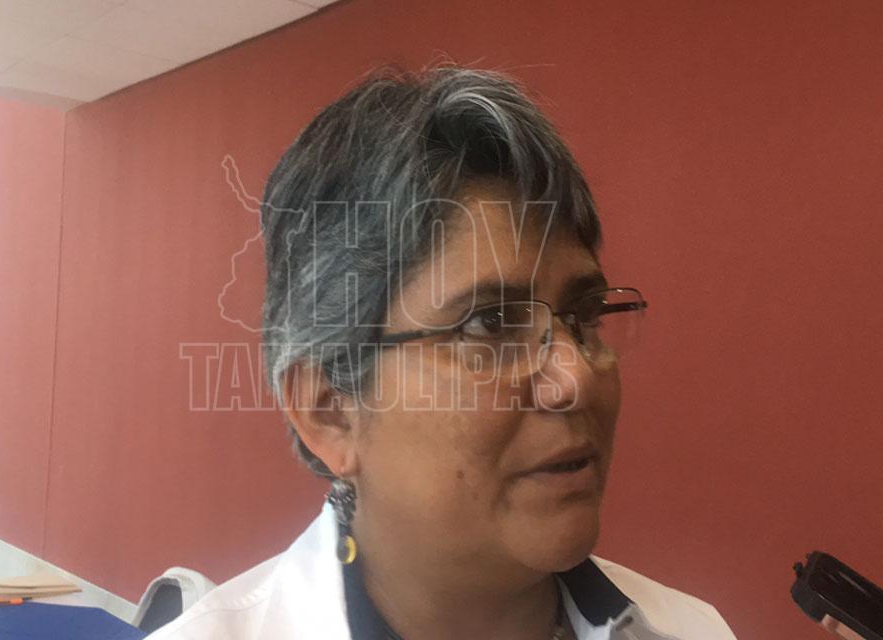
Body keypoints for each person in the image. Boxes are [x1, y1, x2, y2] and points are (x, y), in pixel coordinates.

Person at [149, 66, 738, 640]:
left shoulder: (694, 629)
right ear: (330, 411)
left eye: (584, 315)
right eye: (489, 325)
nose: (576, 376)